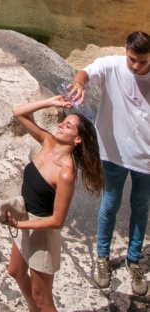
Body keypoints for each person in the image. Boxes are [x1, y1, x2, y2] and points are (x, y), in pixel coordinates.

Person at [69, 30, 150, 296]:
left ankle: (134, 259)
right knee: (110, 205)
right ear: (125, 49)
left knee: (140, 209)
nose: (136, 66)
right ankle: (102, 258)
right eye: (132, 59)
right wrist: (79, 84)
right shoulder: (113, 65)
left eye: (142, 61)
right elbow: (85, 73)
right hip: (113, 152)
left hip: (147, 158)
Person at [6, 96, 103, 312]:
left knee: (43, 299)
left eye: (68, 126)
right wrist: (52, 102)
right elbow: (18, 111)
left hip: (41, 232)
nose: (61, 125)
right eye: (63, 121)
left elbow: (57, 221)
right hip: (23, 219)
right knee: (15, 271)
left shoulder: (66, 173)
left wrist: (20, 225)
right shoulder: (47, 142)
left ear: (77, 139)